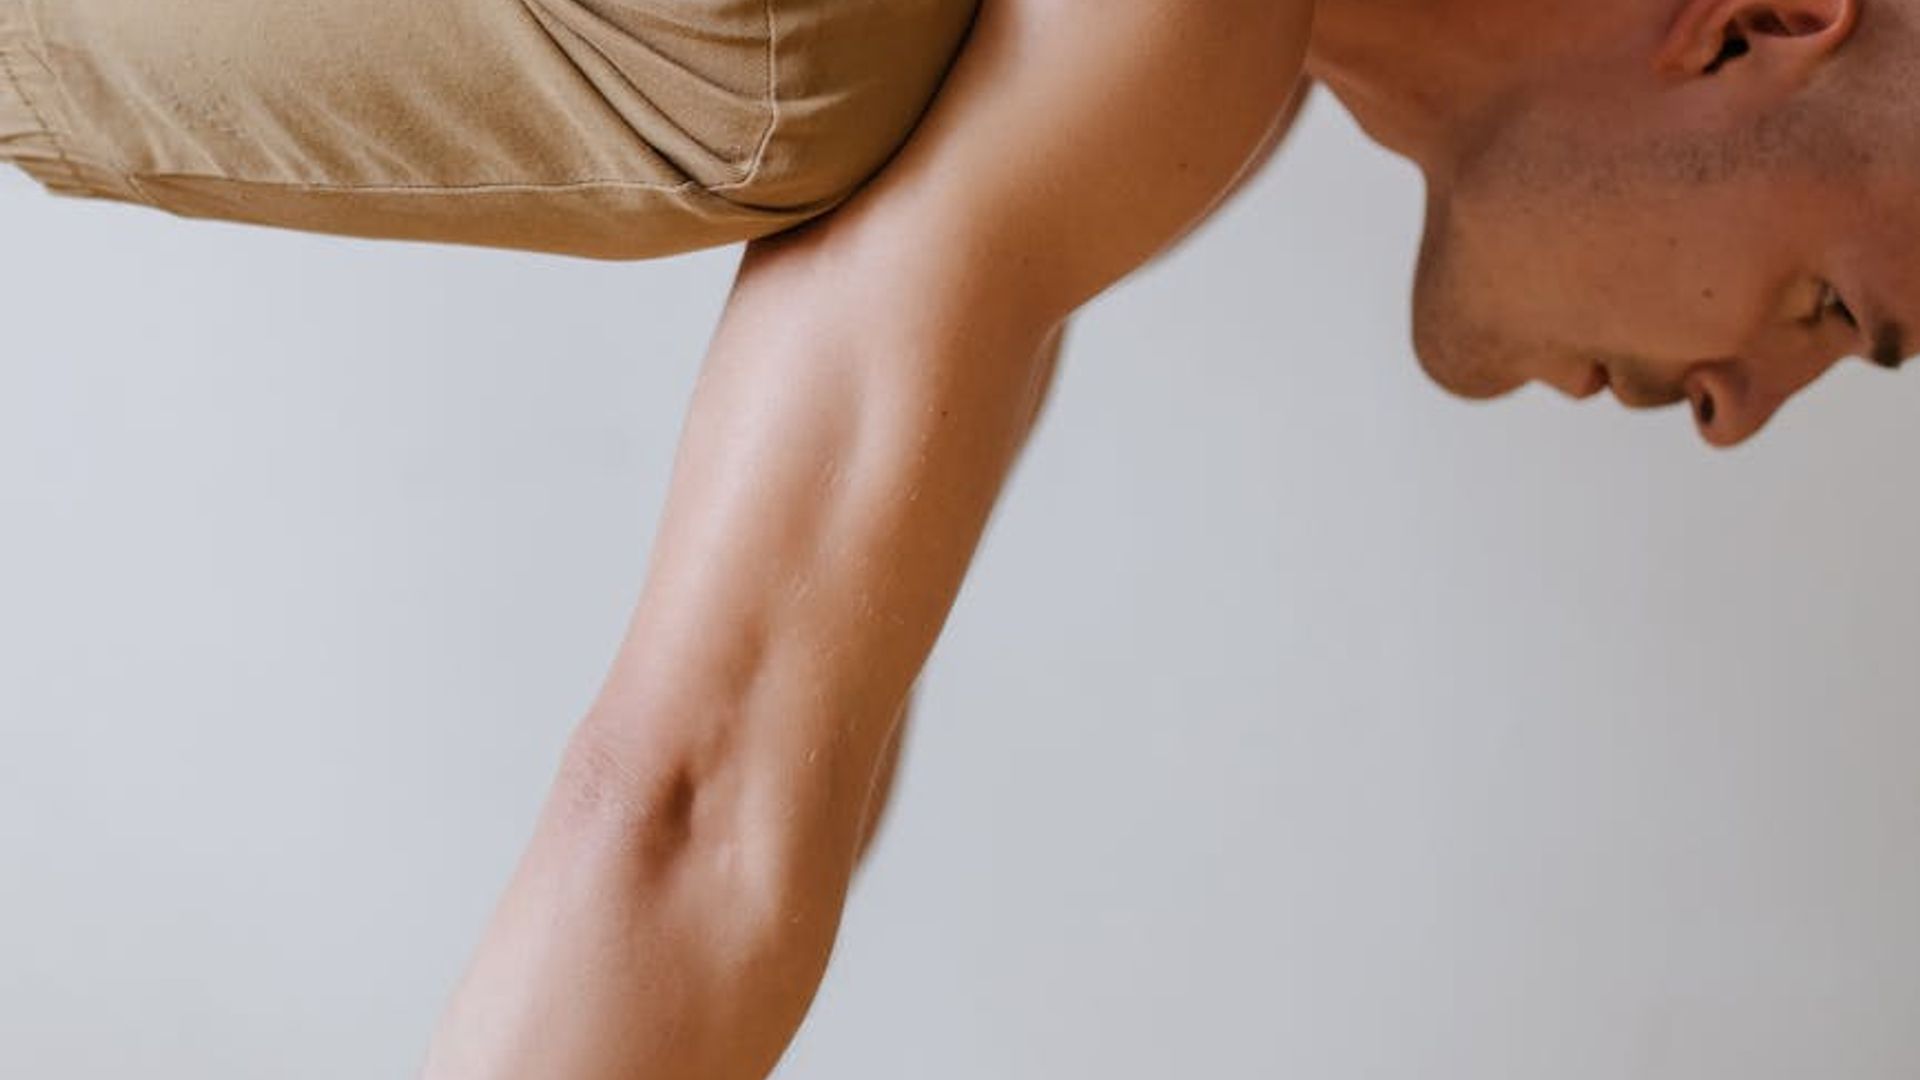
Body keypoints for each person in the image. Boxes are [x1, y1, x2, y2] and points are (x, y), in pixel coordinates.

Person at [1, 0, 1909, 1076]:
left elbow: (778, 779)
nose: (1742, 405)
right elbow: (691, 818)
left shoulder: (1171, 88)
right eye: (1835, 311)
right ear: (1753, 28)